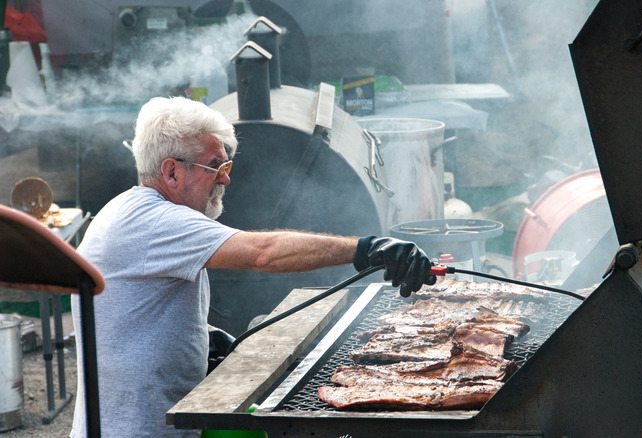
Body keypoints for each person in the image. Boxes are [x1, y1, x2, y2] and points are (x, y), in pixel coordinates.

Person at [69, 96, 435, 437]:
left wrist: (203, 335)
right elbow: (264, 252)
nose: (226, 178)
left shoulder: (129, 211)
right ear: (172, 173)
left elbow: (135, 306)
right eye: (215, 166)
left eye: (226, 165)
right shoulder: (155, 221)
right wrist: (369, 248)